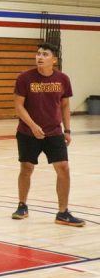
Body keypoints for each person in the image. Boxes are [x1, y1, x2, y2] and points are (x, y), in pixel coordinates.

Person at [12, 42, 84, 227]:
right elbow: (19, 106)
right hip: (28, 133)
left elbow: (65, 105)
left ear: (54, 59)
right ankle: (22, 205)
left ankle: (63, 212)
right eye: (38, 54)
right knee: (26, 169)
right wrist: (33, 125)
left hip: (54, 132)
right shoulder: (24, 78)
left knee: (63, 168)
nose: (40, 57)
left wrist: (67, 130)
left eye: (44, 54)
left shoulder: (63, 79)